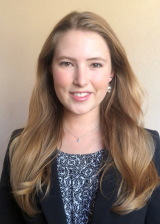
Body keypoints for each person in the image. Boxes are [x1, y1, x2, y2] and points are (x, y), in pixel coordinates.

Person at [0, 11, 160, 224]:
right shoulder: (20, 147)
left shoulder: (147, 147)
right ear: (50, 69)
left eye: (95, 64)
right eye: (67, 63)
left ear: (112, 72)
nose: (81, 80)